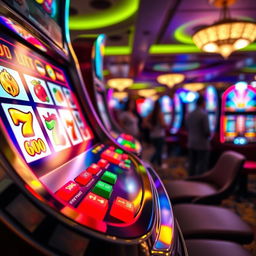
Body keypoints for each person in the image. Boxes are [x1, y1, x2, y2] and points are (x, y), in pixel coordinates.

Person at [186, 95, 210, 176]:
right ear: (203, 103)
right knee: (202, 164)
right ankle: (200, 181)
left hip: (191, 142)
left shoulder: (190, 114)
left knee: (192, 163)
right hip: (202, 143)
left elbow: (187, 127)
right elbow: (207, 131)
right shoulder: (203, 114)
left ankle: (191, 179)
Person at [143, 99, 166, 168]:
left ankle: (159, 164)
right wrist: (165, 125)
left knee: (157, 150)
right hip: (159, 135)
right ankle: (151, 162)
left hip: (153, 135)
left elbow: (144, 122)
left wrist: (150, 127)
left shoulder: (152, 113)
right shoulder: (160, 114)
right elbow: (163, 125)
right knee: (159, 151)